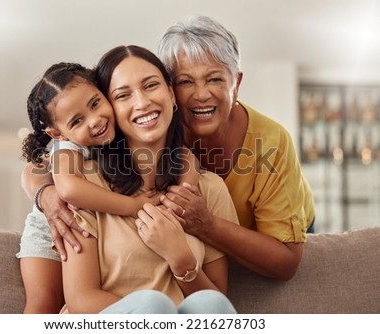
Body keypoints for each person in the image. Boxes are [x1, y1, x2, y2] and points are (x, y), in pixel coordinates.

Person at [59, 45, 238, 313]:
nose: (142, 103)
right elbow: (80, 301)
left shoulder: (209, 188)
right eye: (123, 95)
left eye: (151, 85)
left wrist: (181, 259)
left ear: (171, 93)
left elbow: (217, 306)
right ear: (111, 111)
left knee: (211, 303)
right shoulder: (88, 185)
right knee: (152, 304)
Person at [17, 62, 200, 313]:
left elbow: (186, 156)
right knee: (43, 302)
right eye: (78, 120)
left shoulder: (125, 128)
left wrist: (185, 191)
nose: (95, 121)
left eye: (95, 104)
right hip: (51, 222)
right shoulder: (68, 149)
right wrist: (133, 206)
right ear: (58, 133)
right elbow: (68, 189)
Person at [152, 15, 315, 281]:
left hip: (289, 226)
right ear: (169, 90)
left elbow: (286, 261)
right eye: (185, 82)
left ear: (236, 84)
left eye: (214, 79)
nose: (201, 94)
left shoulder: (272, 141)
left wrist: (207, 225)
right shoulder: (155, 132)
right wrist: (56, 189)